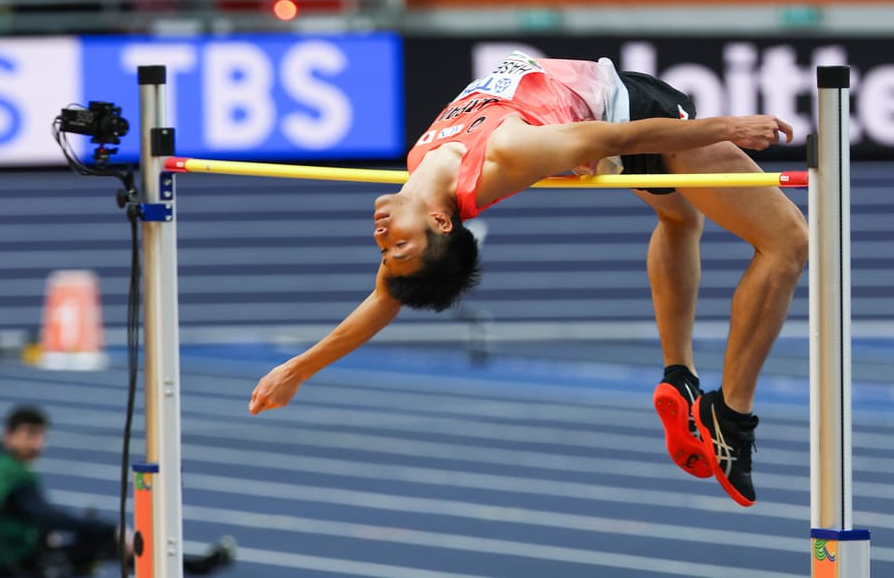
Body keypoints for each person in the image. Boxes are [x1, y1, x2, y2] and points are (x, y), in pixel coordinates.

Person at [249, 51, 808, 508]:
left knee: (679, 217)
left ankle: (679, 374)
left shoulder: (423, 173)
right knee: (789, 244)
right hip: (630, 115)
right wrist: (727, 126)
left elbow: (383, 296)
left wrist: (295, 370)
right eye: (398, 245)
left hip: (595, 115)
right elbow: (613, 140)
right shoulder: (505, 155)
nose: (382, 238)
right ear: (441, 224)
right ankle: (730, 416)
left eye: (386, 249)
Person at [0, 406, 236, 577]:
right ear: (9, 435)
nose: (37, 444)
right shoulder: (10, 473)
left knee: (94, 537)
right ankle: (189, 567)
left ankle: (189, 566)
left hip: (16, 546)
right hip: (11, 560)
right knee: (101, 538)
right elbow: (43, 514)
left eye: (40, 436)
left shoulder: (1, 458)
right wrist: (111, 529)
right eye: (29, 436)